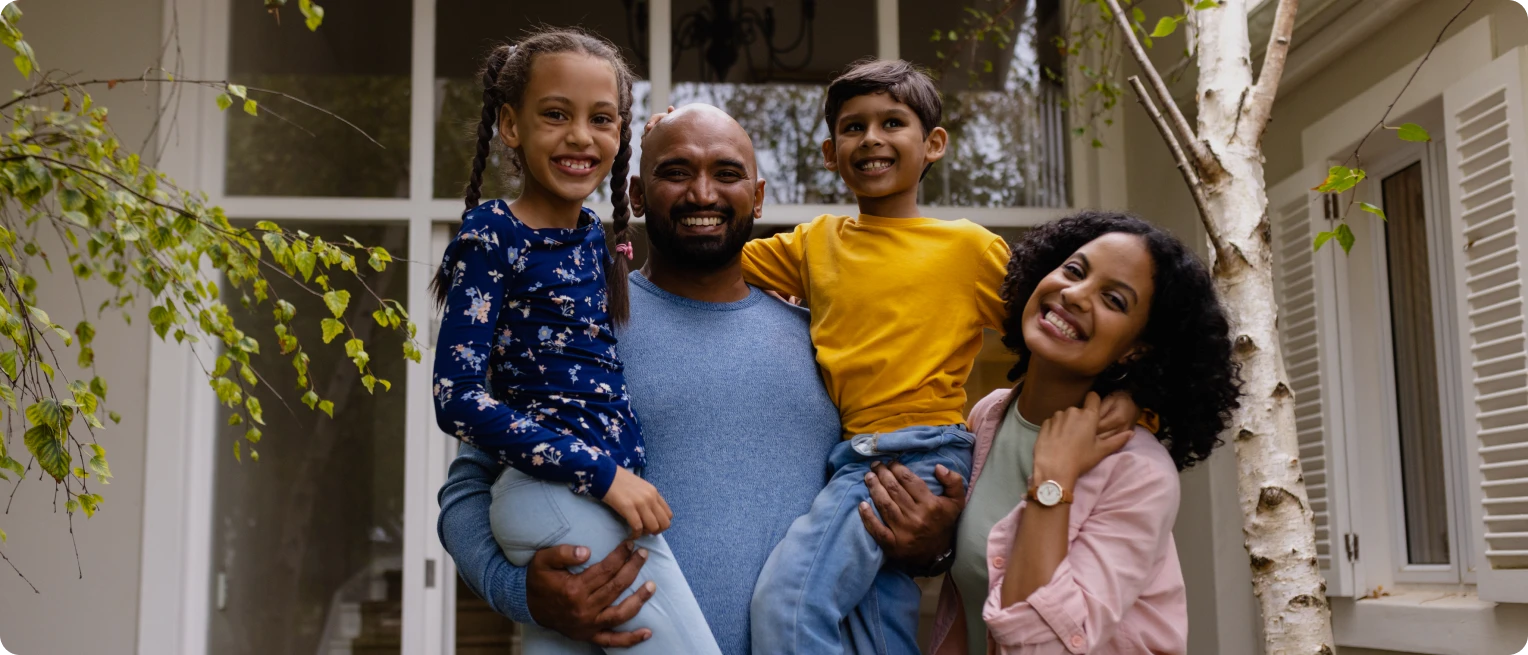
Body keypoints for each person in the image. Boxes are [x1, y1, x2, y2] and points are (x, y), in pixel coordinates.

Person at [439, 104, 955, 655]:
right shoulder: (577, 324)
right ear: (635, 194)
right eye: (676, 172)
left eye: (727, 174)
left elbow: (884, 488)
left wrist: (934, 546)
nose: (702, 194)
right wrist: (517, 592)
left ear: (757, 197)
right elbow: (469, 486)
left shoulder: (828, 341)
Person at [733, 60, 1138, 654]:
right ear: (828, 153)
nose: (870, 138)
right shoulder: (815, 242)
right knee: (882, 627)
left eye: (892, 122)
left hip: (916, 454)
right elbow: (710, 259)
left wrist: (1131, 395)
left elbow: (1059, 330)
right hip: (853, 456)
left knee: (788, 604)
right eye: (852, 128)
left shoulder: (968, 248)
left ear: (934, 144)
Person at [429, 30, 720, 654]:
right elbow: (455, 399)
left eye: (603, 119)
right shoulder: (493, 234)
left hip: (588, 498)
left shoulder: (591, 235)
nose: (582, 137)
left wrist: (661, 133)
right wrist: (605, 475)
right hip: (560, 494)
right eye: (556, 114)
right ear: (510, 124)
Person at [918, 212, 1242, 654]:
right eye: (1074, 270)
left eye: (1114, 300)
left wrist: (1053, 480)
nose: (1075, 295)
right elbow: (973, 573)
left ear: (1136, 347)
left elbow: (1046, 647)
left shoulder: (1138, 472)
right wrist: (936, 541)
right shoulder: (989, 416)